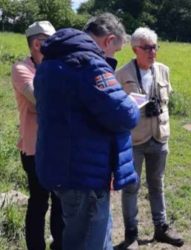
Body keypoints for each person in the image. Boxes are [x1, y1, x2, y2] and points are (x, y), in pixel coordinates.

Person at [33, 13, 140, 250]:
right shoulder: (88, 63)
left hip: (59, 167)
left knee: (77, 234)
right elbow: (125, 115)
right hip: (85, 174)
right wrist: (131, 103)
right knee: (89, 240)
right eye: (116, 50)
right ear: (108, 40)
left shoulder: (51, 61)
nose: (113, 57)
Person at [115, 27, 184, 248]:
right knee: (131, 187)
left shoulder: (164, 70)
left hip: (160, 137)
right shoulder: (122, 74)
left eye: (155, 47)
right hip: (134, 139)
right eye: (147, 48)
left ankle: (161, 228)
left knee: (157, 184)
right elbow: (116, 107)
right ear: (135, 49)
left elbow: (165, 101)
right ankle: (131, 234)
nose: (152, 51)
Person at [11, 20, 63, 250]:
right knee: (39, 202)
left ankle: (59, 244)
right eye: (49, 42)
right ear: (36, 44)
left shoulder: (56, 67)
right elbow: (40, 99)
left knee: (60, 201)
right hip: (35, 148)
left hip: (59, 146)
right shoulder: (21, 69)